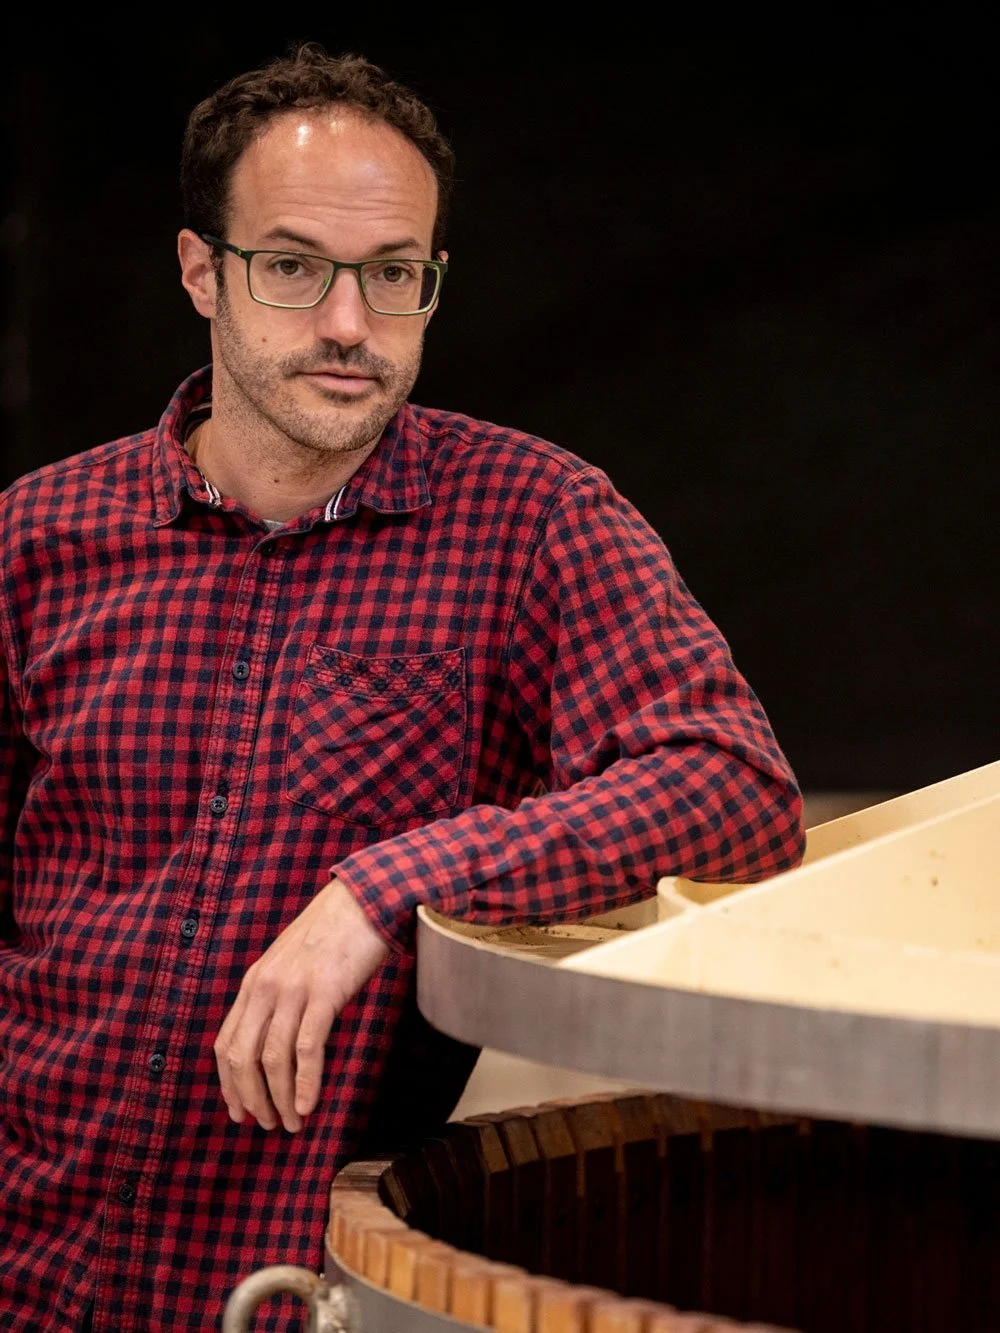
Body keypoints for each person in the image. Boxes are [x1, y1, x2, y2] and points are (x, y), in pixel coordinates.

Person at [0, 42, 805, 1332]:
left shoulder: (533, 518)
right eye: (293, 265)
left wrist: (380, 890)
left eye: (392, 277)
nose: (345, 323)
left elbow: (731, 785)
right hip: (33, 1259)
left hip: (293, 1284)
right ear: (203, 270)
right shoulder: (36, 538)